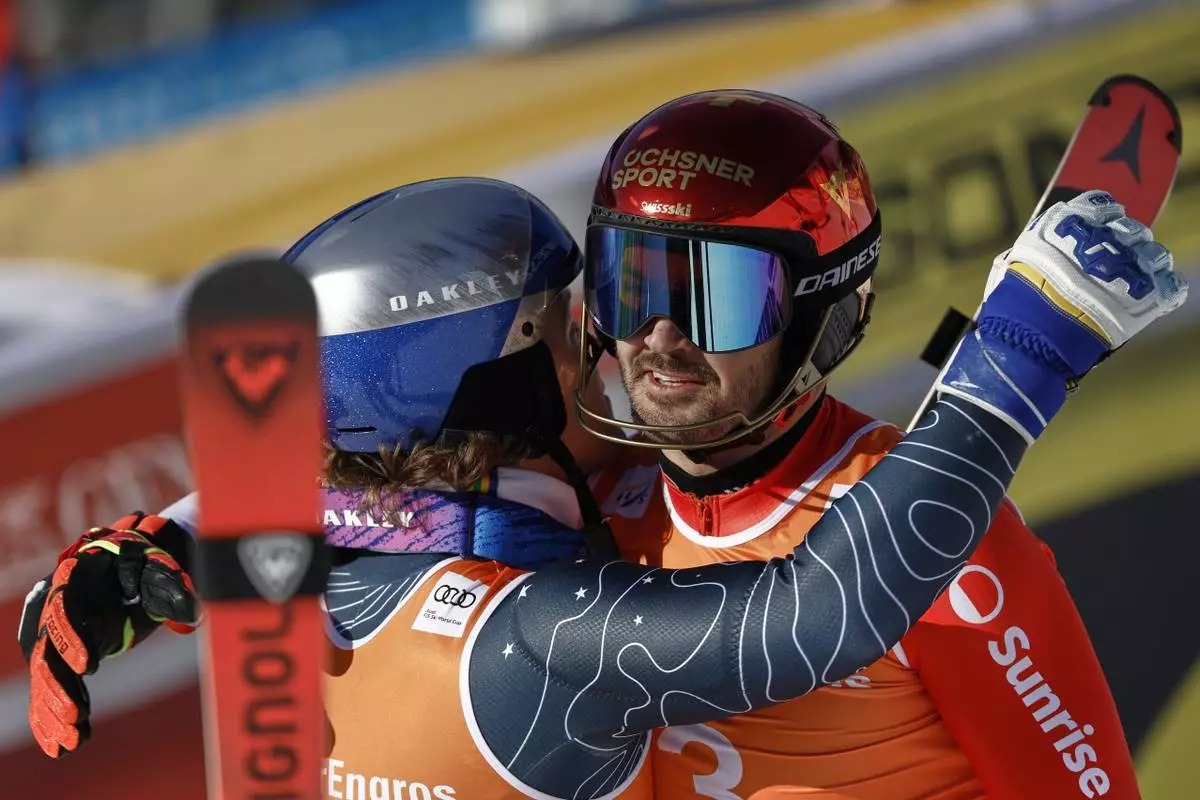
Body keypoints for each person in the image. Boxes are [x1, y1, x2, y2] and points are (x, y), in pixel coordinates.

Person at [19, 161, 1180, 798]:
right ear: (494, 383)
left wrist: (155, 544)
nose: (621, 348)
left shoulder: (313, 572)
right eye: (576, 325)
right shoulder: (521, 636)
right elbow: (820, 612)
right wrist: (1023, 349)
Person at [573, 89, 1183, 799]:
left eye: (718, 297)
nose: (661, 337)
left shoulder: (944, 544)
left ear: (818, 317)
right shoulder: (597, 516)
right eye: (633, 284)